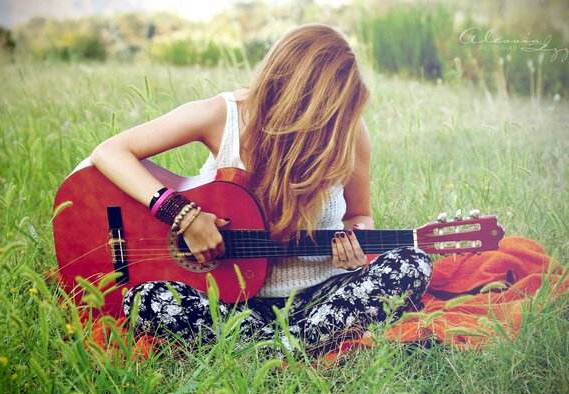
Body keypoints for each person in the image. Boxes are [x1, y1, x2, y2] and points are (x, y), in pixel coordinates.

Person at [90, 24, 433, 357]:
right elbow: (109, 152)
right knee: (144, 297)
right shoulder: (221, 115)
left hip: (324, 294)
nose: (331, 121)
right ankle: (301, 343)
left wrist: (355, 239)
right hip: (230, 302)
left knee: (413, 263)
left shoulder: (347, 128)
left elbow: (360, 214)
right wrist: (181, 213)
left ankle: (265, 348)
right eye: (325, 110)